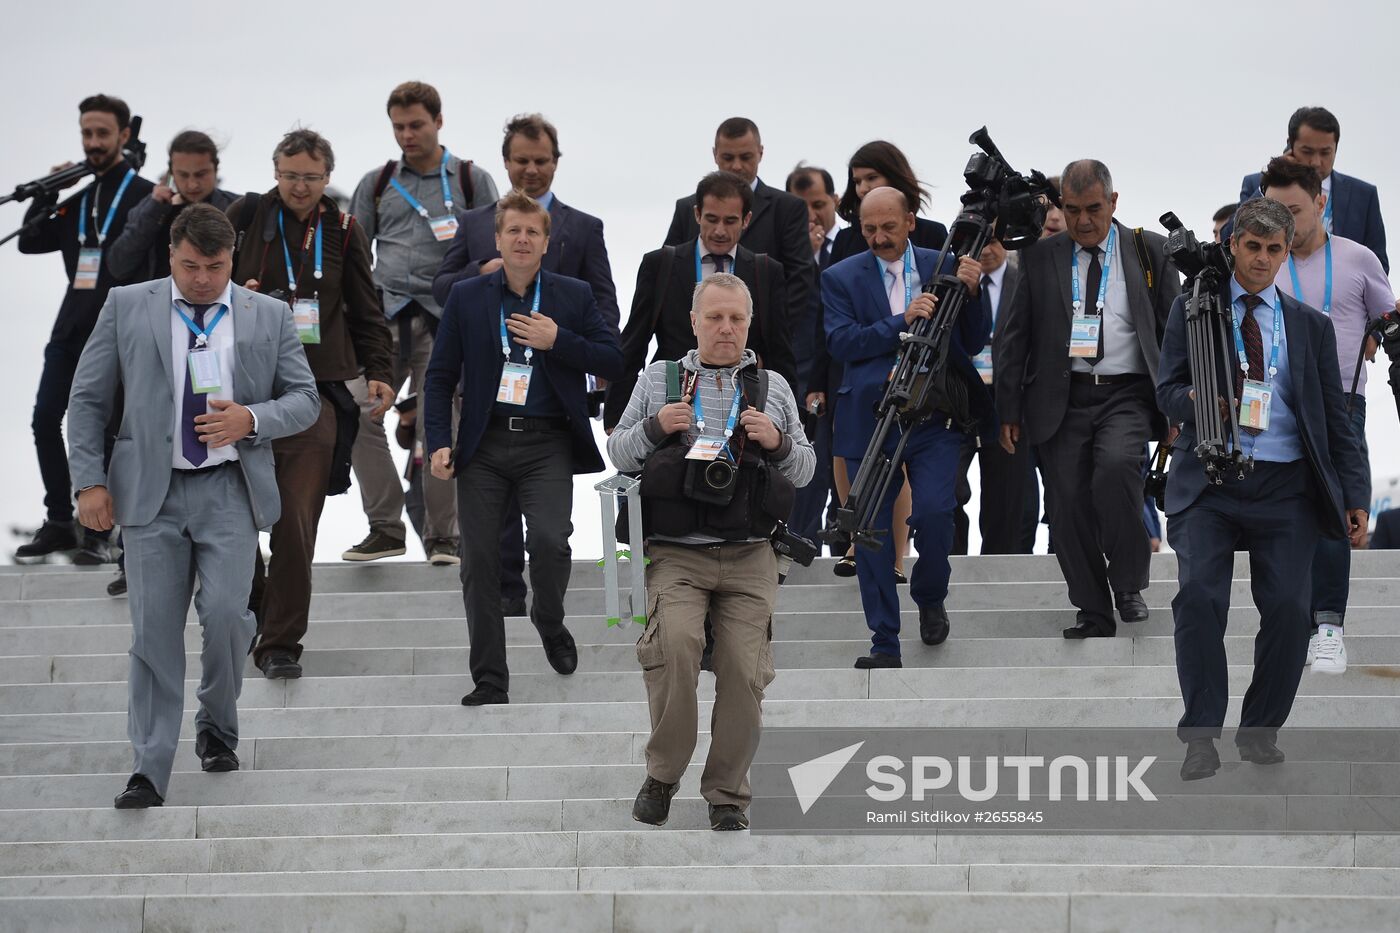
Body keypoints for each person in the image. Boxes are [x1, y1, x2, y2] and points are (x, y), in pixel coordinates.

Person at [65, 203, 320, 808]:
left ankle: (216, 724)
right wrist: (87, 483)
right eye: (189, 266)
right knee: (153, 633)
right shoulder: (127, 304)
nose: (203, 278)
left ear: (233, 258)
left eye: (215, 265)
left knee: (231, 617)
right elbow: (88, 397)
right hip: (149, 495)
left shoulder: (270, 315)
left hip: (229, 489)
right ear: (170, 256)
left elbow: (306, 399)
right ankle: (149, 768)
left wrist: (251, 417)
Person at [1158, 197, 1368, 780]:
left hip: (1285, 485)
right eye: (1252, 246)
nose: (1261, 259)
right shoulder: (1194, 310)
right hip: (1211, 479)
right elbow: (1166, 388)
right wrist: (1195, 402)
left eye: (1274, 250)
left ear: (1285, 254)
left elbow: (1336, 414)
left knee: (1287, 608)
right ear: (1233, 247)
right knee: (1200, 598)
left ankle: (1261, 729)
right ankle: (1201, 735)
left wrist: (1354, 492)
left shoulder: (1310, 326)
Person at [607, 273, 813, 831]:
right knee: (674, 645)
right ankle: (664, 773)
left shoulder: (774, 387)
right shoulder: (659, 379)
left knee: (746, 671)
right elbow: (618, 452)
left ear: (750, 323)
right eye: (715, 318)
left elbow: (806, 469)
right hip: (677, 553)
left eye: (737, 319)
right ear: (693, 321)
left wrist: (778, 440)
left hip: (750, 554)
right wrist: (654, 427)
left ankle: (727, 793)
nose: (726, 329)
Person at [424, 191, 622, 706]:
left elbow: (613, 358)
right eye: (513, 230)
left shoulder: (572, 296)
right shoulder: (468, 297)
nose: (522, 239)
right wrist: (440, 442)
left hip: (547, 442)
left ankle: (549, 619)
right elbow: (440, 376)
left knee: (553, 543)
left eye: (532, 231)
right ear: (497, 238)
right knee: (479, 561)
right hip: (484, 445)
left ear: (547, 242)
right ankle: (490, 678)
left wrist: (560, 341)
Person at [432, 112, 618, 615]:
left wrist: (592, 357)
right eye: (522, 161)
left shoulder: (582, 227)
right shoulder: (475, 225)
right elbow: (441, 288)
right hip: (487, 385)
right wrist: (482, 269)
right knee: (493, 515)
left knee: (547, 520)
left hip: (553, 390)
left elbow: (602, 302)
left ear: (556, 163)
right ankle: (508, 592)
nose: (531, 170)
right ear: (506, 163)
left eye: (541, 161)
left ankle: (543, 601)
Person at [229, 129, 395, 680]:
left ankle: (280, 644)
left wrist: (381, 372)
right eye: (290, 175)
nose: (299, 187)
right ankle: (259, 602)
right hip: (242, 390)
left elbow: (366, 309)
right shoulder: (247, 217)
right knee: (233, 515)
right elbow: (203, 287)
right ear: (274, 172)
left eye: (310, 177)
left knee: (297, 523)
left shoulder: (345, 229)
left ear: (327, 178)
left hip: (314, 391)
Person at [993, 160, 1182, 638]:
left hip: (1129, 395)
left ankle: (1129, 584)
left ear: (1113, 203)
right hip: (1062, 397)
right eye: (1072, 210)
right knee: (1067, 503)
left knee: (1117, 469)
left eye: (1093, 209)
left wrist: (1178, 407)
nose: (1082, 221)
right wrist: (1009, 409)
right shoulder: (1040, 257)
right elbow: (1013, 337)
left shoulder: (1150, 251)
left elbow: (1172, 336)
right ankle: (1093, 611)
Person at [823, 187, 990, 667]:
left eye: (888, 228)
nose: (878, 238)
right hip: (868, 419)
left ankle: (931, 593)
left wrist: (974, 294)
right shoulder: (840, 277)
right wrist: (902, 319)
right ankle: (884, 642)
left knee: (938, 512)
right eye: (869, 229)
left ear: (911, 222)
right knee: (871, 533)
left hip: (935, 417)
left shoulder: (945, 263)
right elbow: (840, 342)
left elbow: (974, 339)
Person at [342, 81, 498, 566]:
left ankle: (443, 537)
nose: (407, 135)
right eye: (398, 127)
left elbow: (489, 258)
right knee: (355, 409)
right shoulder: (378, 181)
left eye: (416, 125)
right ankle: (386, 527)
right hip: (383, 318)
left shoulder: (473, 179)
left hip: (446, 320)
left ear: (439, 121)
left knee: (441, 426)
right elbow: (354, 254)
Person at [1261, 157, 1395, 674]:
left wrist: (1376, 332)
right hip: (1273, 402)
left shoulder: (1358, 258)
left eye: (1293, 211)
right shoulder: (1264, 260)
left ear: (1321, 203)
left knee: (1335, 512)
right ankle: (1289, 619)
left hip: (1340, 402)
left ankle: (1329, 626)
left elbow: (1389, 319)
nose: (1284, 225)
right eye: (1274, 212)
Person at [17, 94, 155, 564]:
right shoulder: (78, 199)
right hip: (71, 325)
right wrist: (48, 190)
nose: (93, 142)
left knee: (108, 429)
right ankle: (59, 519)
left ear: (123, 135)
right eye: (87, 134)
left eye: (102, 133)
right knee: (43, 419)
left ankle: (99, 531)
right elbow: (31, 241)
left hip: (120, 329)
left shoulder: (143, 195)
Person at [817, 141, 946, 575]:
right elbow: (834, 320)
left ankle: (895, 550)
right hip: (860, 370)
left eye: (871, 178)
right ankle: (856, 540)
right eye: (857, 182)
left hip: (918, 377)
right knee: (847, 452)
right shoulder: (852, 243)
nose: (862, 188)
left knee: (900, 461)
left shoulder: (933, 239)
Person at [604, 172, 795, 430]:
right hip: (672, 403)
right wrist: (616, 416)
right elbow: (634, 341)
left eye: (730, 221)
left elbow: (780, 350)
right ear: (697, 215)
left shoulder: (766, 271)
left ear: (746, 220)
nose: (719, 231)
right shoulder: (660, 264)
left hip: (742, 408)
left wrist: (792, 421)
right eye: (711, 219)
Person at [662, 118, 812, 326]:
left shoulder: (787, 208)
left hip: (759, 339)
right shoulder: (686, 208)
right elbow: (667, 276)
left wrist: (770, 342)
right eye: (728, 157)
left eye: (745, 157)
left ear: (761, 153)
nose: (737, 166)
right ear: (715, 154)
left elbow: (799, 282)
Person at [954, 238, 1038, 554]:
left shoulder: (1026, 279)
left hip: (1010, 401)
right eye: (977, 242)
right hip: (959, 398)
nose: (985, 251)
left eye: (992, 241)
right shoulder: (951, 280)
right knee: (947, 489)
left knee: (1007, 498)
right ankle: (950, 565)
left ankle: (998, 566)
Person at [1239, 107, 1388, 271]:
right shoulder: (1256, 185)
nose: (1316, 162)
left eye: (1325, 153)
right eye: (1307, 151)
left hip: (1340, 292)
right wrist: (1269, 182)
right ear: (1290, 146)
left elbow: (1378, 265)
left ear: (1336, 148)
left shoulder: (1363, 195)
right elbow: (1229, 241)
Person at [785, 163, 845, 548]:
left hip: (842, 375)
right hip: (798, 377)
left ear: (835, 202)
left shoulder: (853, 244)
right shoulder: (788, 251)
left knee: (842, 474)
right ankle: (799, 546)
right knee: (807, 471)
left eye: (819, 203)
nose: (811, 214)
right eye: (800, 205)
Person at [106, 131, 238, 282]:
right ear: (171, 173)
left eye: (201, 174)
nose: (192, 184)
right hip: (158, 302)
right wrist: (154, 210)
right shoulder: (151, 208)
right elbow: (118, 266)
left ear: (215, 168)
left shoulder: (237, 208)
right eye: (183, 175)